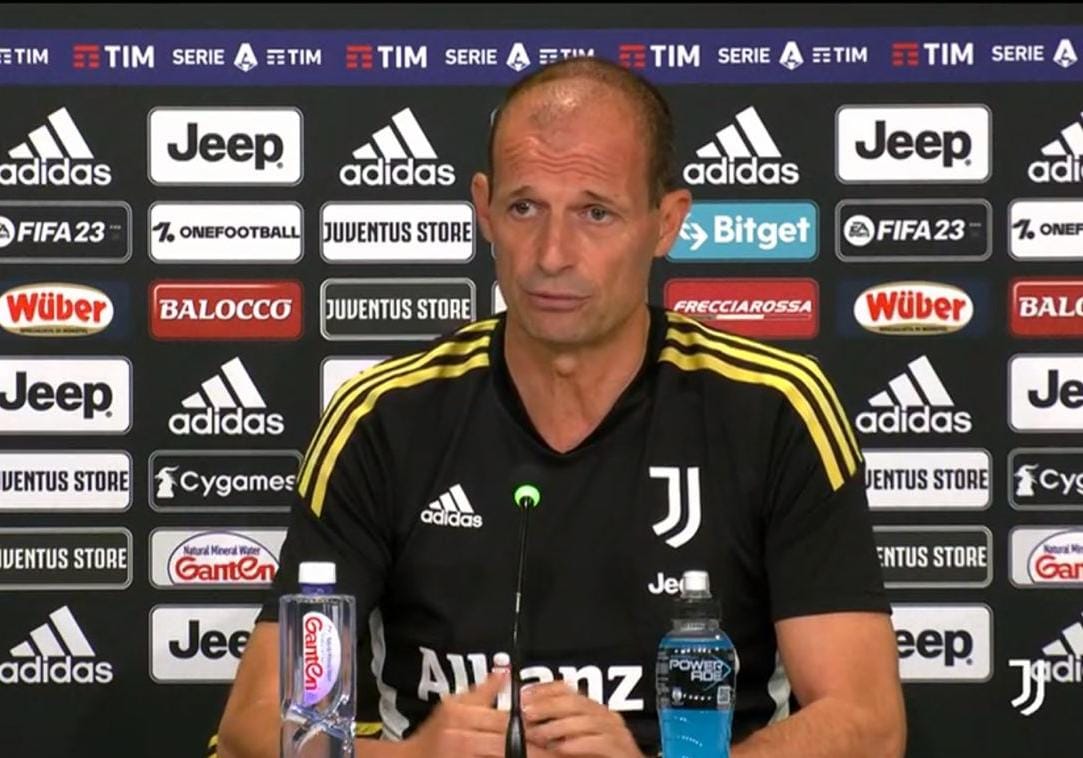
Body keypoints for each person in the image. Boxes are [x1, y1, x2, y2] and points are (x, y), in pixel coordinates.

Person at [217, 56, 906, 758]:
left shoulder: (774, 409)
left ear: (666, 222)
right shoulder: (382, 418)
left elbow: (866, 722)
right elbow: (257, 723)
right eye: (524, 208)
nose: (551, 254)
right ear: (484, 208)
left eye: (595, 213)